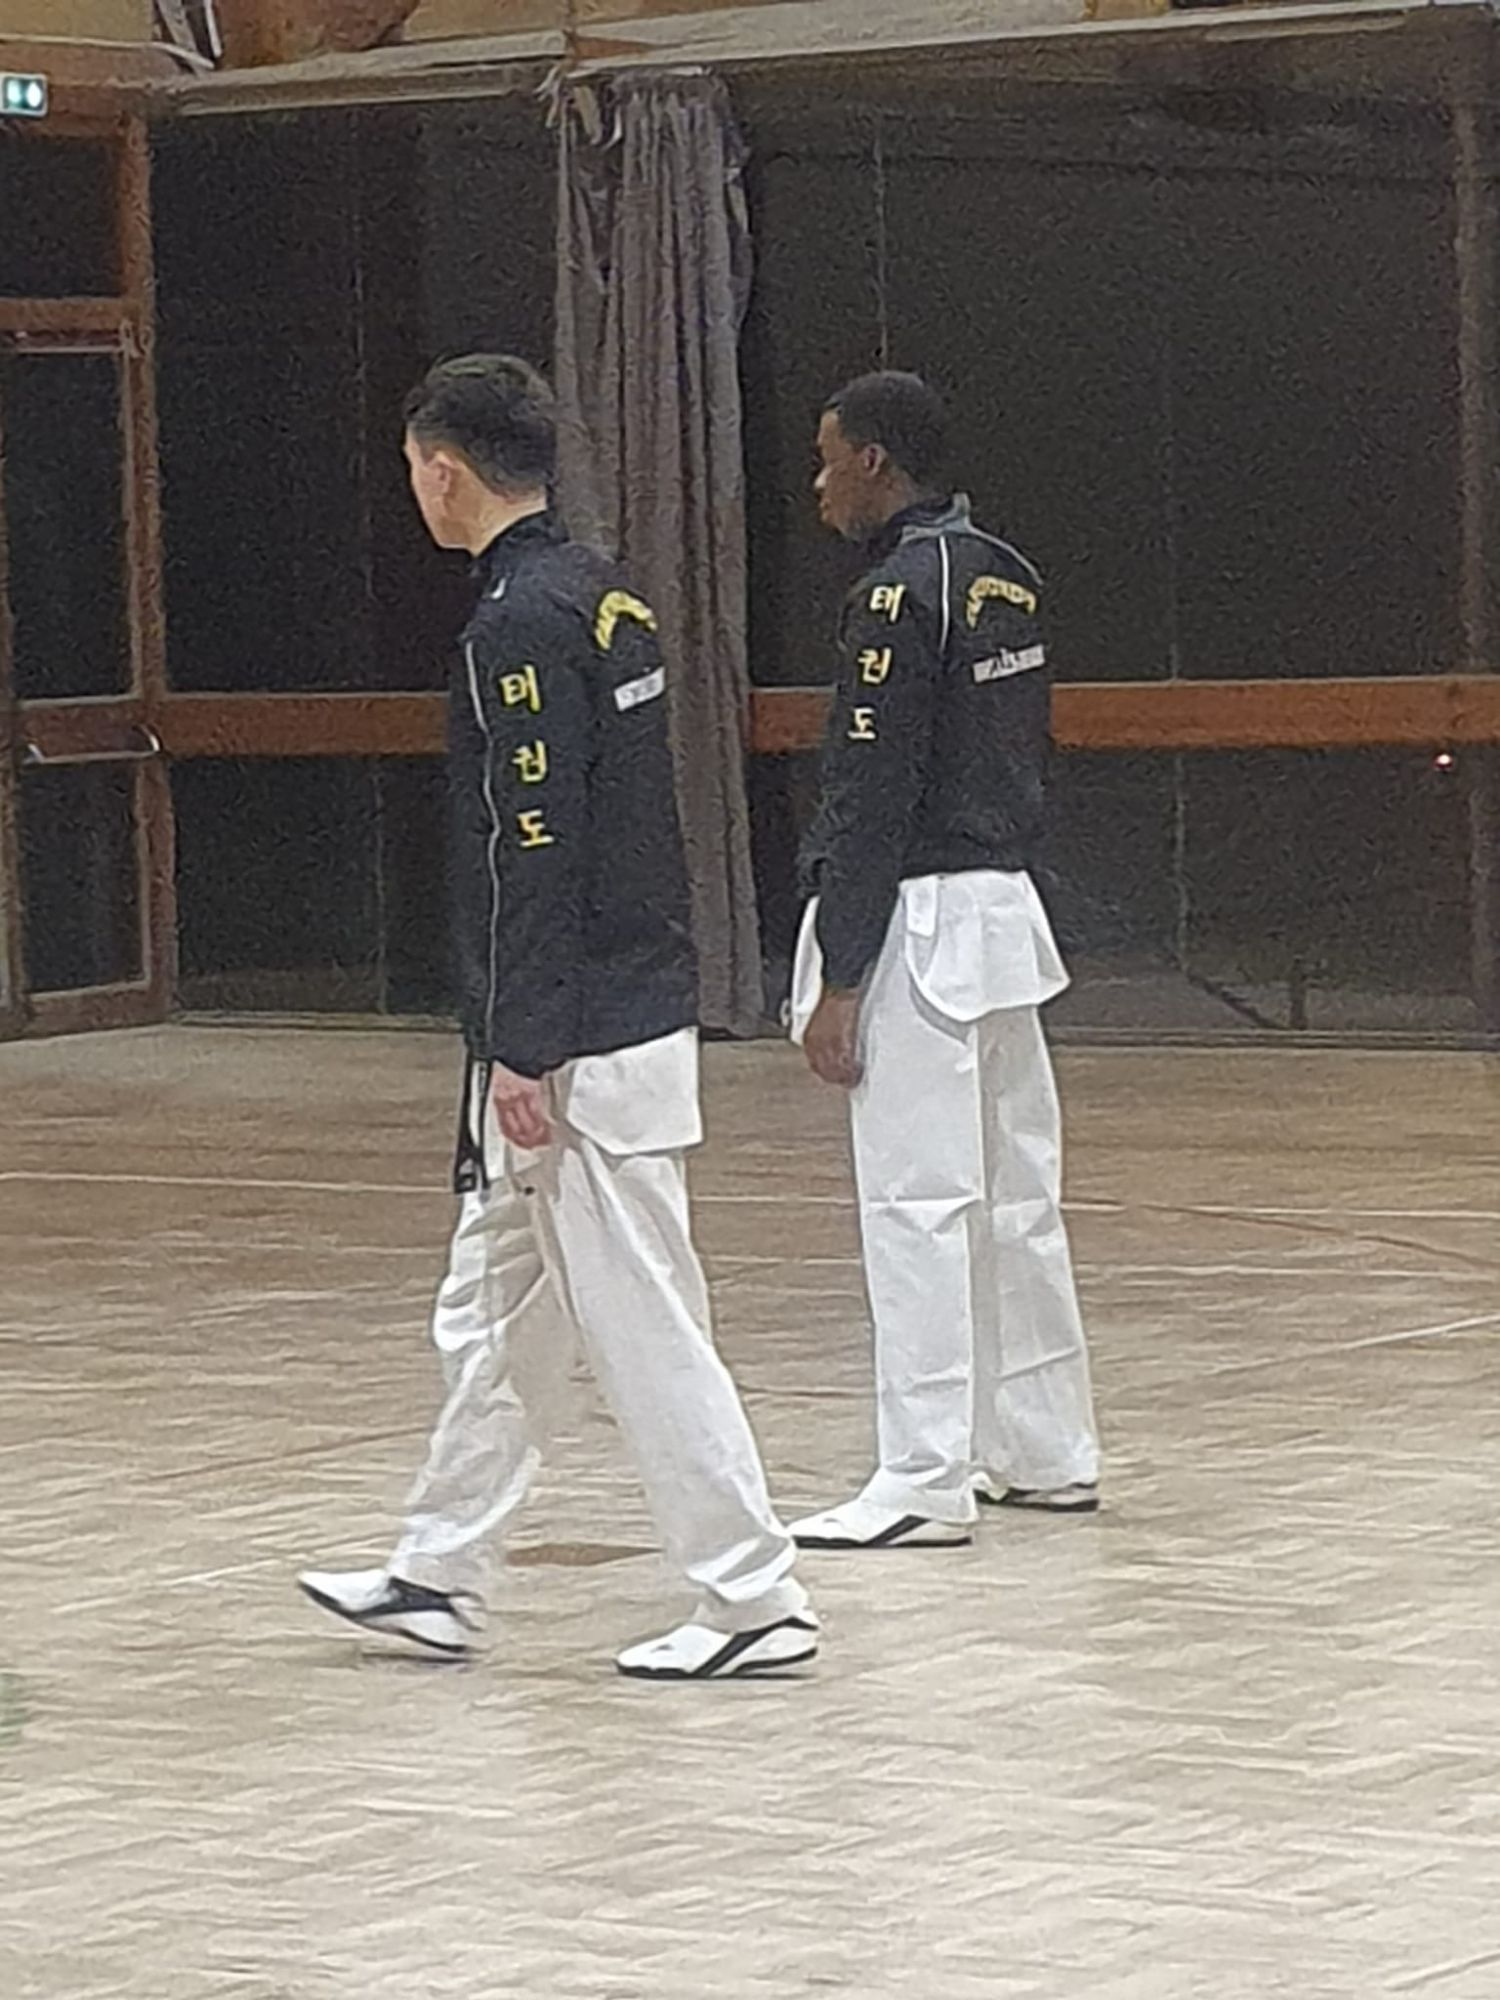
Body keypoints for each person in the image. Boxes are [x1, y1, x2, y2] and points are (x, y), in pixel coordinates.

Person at [300, 355, 816, 1679]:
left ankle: (754, 1596)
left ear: (444, 472)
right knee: (494, 1315)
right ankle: (436, 1571)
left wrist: (523, 1046)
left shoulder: (519, 624)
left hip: (582, 1036)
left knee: (643, 1323)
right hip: (598, 1009)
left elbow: (534, 844)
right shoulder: (604, 594)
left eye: (413, 469)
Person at [787, 370, 1100, 1551]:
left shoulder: (894, 596)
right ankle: (1047, 1447)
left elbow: (872, 791)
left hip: (919, 920)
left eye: (829, 458)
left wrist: (843, 971)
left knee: (915, 1203)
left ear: (875, 459)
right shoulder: (1008, 573)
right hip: (1006, 909)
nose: (819, 483)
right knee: (1018, 1200)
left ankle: (921, 1475)